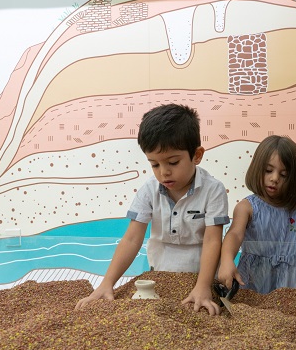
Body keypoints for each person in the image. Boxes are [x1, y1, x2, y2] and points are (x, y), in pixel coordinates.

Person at [75, 104, 230, 314]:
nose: (164, 172)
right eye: (154, 165)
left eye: (173, 162)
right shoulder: (149, 190)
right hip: (160, 277)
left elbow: (213, 240)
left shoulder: (213, 190)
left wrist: (203, 287)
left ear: (197, 155)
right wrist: (107, 283)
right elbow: (131, 239)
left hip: (200, 279)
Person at [218, 135, 296, 294]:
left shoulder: (295, 208)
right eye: (268, 170)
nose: (275, 178)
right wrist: (227, 260)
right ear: (258, 168)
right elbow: (235, 234)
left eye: (283, 175)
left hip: (291, 281)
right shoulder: (247, 207)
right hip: (255, 279)